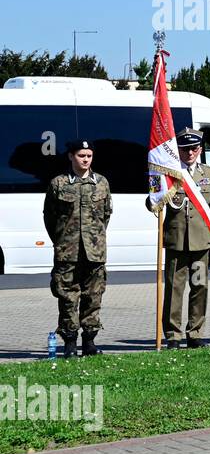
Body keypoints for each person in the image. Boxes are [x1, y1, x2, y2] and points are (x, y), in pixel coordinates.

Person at [44, 139, 112, 357]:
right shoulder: (59, 183)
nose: (85, 159)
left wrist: (95, 238)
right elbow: (50, 217)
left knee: (93, 296)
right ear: (71, 156)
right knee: (67, 298)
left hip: (95, 251)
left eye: (89, 156)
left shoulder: (101, 183)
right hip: (68, 251)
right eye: (81, 155)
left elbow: (106, 214)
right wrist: (62, 239)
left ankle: (90, 342)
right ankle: (70, 343)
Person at [155, 128, 210, 348]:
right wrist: (153, 198)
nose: (190, 153)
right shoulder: (168, 173)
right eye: (185, 149)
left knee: (199, 287)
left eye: (194, 148)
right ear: (178, 151)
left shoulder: (209, 174)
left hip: (201, 241)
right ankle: (173, 335)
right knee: (174, 289)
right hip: (177, 240)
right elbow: (153, 203)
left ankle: (195, 333)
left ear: (200, 149)